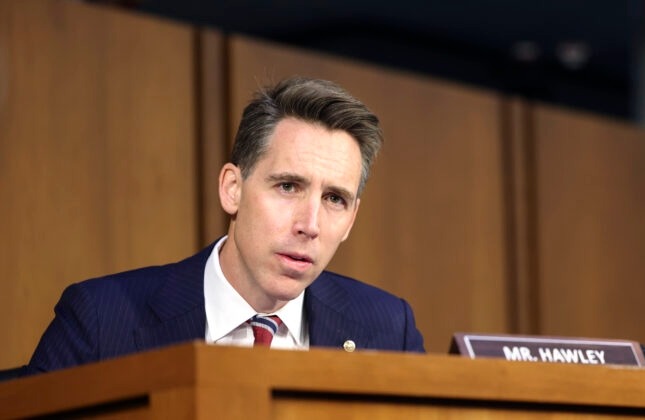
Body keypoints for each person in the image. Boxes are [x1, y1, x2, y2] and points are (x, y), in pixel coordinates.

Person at [24, 77, 424, 375]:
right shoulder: (100, 320)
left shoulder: (389, 329)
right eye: (288, 186)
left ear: (351, 218)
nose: (310, 225)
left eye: (334, 199)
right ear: (233, 189)